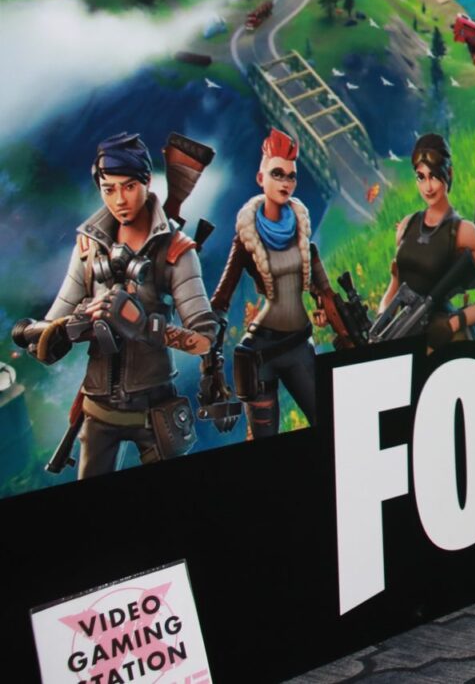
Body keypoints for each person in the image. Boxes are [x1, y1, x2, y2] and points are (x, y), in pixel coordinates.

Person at [12, 133, 218, 477]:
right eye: (109, 189)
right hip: (98, 414)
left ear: (147, 182)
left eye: (129, 187)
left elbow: (205, 341)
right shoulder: (88, 249)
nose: (119, 199)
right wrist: (63, 331)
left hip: (156, 414)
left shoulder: (176, 251)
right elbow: (50, 329)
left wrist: (144, 326)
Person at [211, 129, 331, 439]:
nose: (285, 182)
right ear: (260, 177)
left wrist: (323, 305)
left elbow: (321, 286)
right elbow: (221, 298)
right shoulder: (246, 238)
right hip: (261, 352)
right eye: (278, 174)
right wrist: (206, 343)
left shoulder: (301, 230)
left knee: (329, 426)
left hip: (299, 344)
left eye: (291, 176)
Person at [380, 134, 475, 343]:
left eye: (434, 176)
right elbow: (396, 287)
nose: (428, 187)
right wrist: (382, 320)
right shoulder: (406, 227)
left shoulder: (463, 232)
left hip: (444, 338)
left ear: (448, 173)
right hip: (405, 335)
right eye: (421, 177)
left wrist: (452, 324)